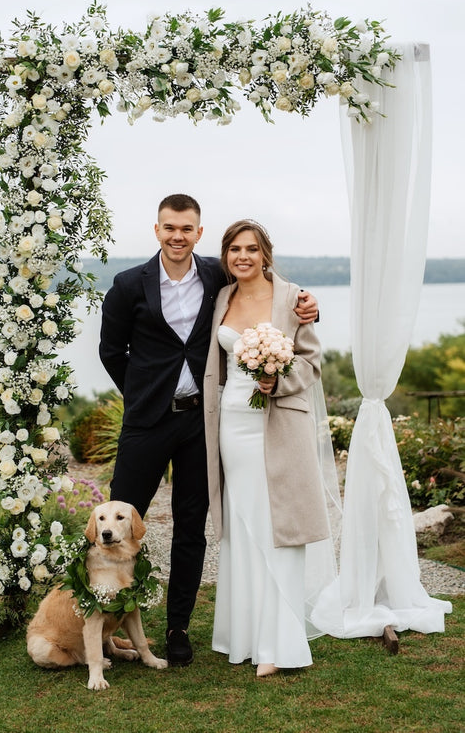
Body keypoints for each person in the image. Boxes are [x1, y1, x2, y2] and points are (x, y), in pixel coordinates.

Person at [99, 196, 319, 667]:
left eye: (187, 229)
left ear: (199, 234)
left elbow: (269, 288)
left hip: (203, 423)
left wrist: (309, 306)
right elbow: (111, 353)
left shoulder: (217, 277)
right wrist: (141, 394)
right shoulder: (125, 285)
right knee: (116, 522)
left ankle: (178, 627)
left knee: (191, 526)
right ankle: (105, 623)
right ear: (156, 230)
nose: (178, 236)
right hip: (146, 423)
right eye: (169, 228)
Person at [203, 219, 332, 677]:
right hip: (230, 426)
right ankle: (245, 634)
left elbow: (312, 363)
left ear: (265, 254)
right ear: (226, 256)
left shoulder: (293, 297)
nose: (243, 257)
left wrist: (278, 379)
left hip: (276, 424)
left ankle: (279, 642)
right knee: (242, 525)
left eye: (251, 249)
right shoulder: (222, 297)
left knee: (277, 522)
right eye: (235, 249)